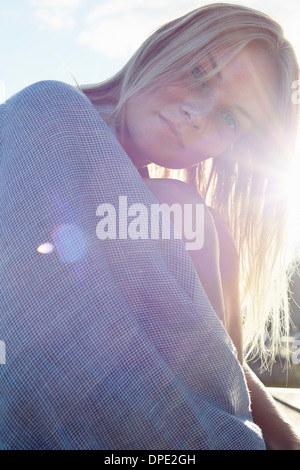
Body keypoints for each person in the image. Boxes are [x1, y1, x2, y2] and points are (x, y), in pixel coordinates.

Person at [0, 3, 299, 450]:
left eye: (231, 118)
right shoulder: (46, 114)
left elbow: (222, 377)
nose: (198, 114)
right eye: (199, 72)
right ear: (163, 48)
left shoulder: (193, 220)